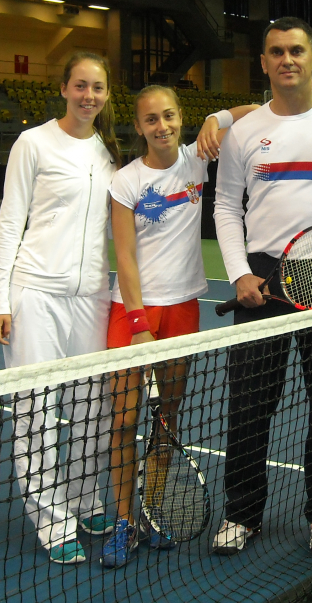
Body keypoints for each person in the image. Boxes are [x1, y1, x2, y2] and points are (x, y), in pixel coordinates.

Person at [212, 16, 312, 557]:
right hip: (261, 271)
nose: (287, 60)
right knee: (249, 404)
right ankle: (241, 512)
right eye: (276, 51)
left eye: (296, 50)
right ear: (263, 62)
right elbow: (226, 205)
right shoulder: (243, 131)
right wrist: (240, 273)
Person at [102, 86, 257, 568]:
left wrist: (217, 117)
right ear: (139, 127)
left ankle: (150, 512)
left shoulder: (196, 161)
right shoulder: (125, 181)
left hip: (183, 310)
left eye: (169, 116)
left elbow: (257, 110)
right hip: (132, 313)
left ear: (180, 117)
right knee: (124, 420)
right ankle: (124, 521)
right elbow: (124, 256)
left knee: (166, 421)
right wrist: (138, 322)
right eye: (151, 119)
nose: (162, 126)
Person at [0, 51, 121, 565]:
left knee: (94, 408)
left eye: (98, 87)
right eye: (80, 85)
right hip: (36, 294)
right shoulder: (33, 143)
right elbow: (10, 222)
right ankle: (52, 520)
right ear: (64, 88)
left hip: (92, 297)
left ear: (106, 94)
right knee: (36, 413)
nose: (89, 96)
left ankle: (86, 501)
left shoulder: (108, 152)